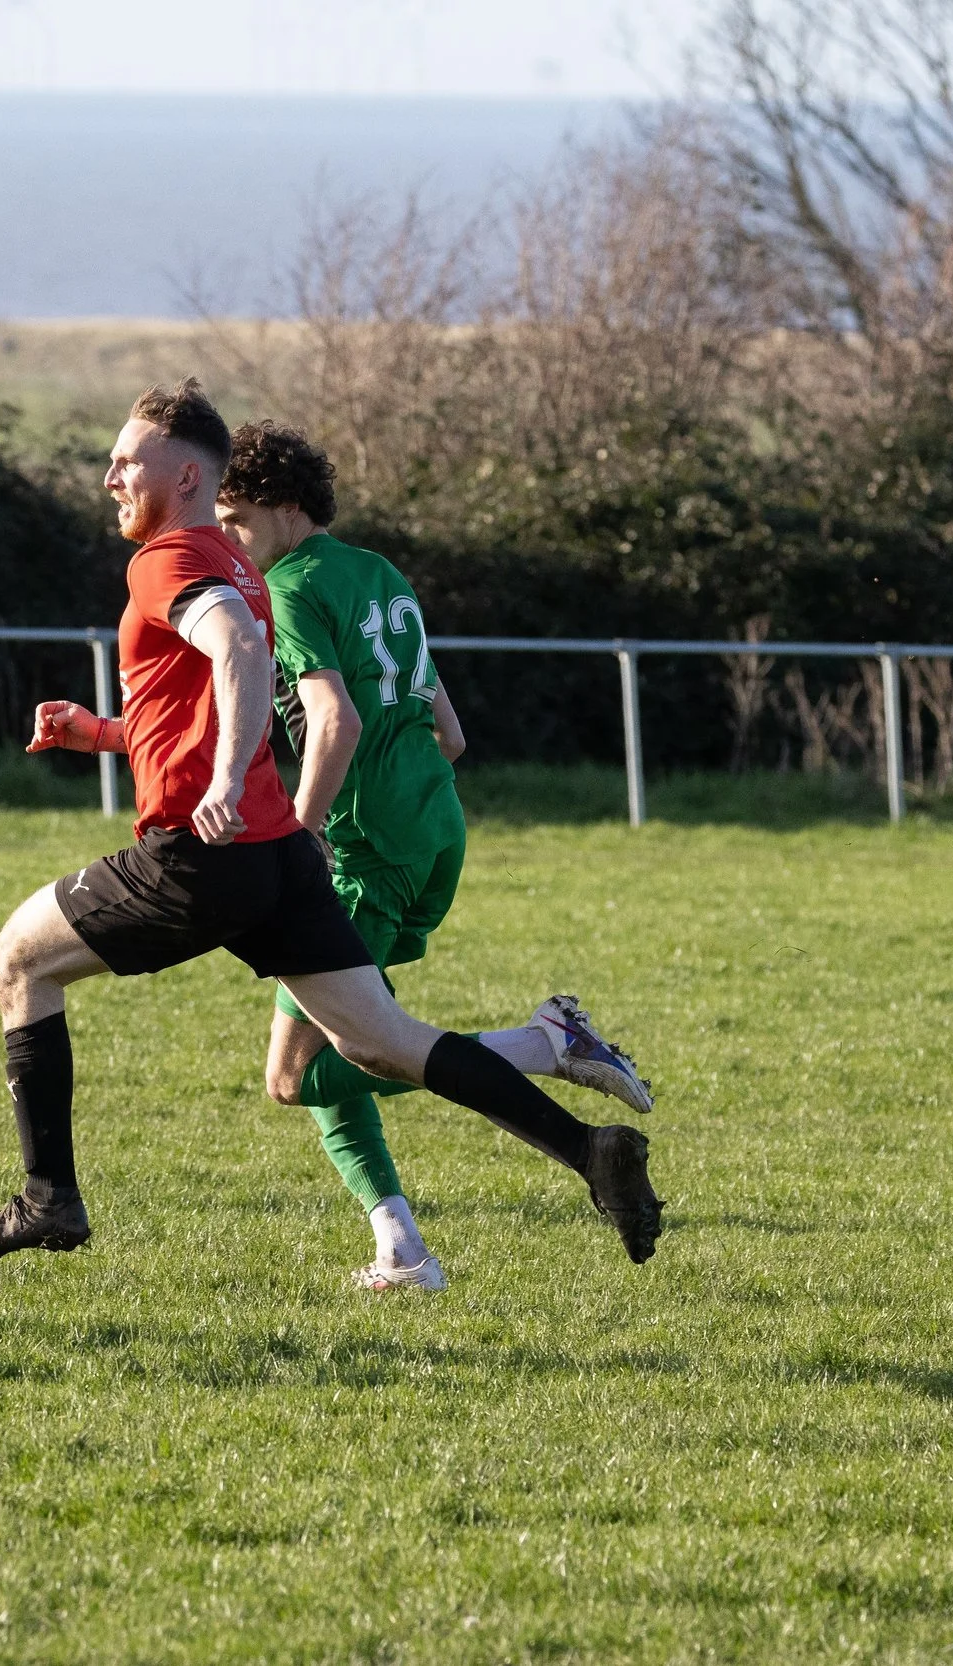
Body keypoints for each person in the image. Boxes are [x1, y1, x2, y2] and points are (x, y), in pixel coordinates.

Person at [0, 380, 663, 1266]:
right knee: (381, 1046)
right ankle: (587, 1152)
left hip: (202, 854)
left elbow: (240, 655)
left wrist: (213, 783)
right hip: (282, 855)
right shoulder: (245, 565)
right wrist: (100, 733)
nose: (109, 477)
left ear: (184, 474)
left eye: (126, 460)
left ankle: (49, 1199)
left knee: (16, 958)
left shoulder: (166, 559)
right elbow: (209, 707)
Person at [214, 421, 654, 1292]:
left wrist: (303, 836)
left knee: (300, 1074)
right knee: (337, 1053)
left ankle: (543, 1043)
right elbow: (449, 733)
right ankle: (400, 1248)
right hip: (430, 827)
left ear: (285, 509)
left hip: (364, 849)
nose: (228, 538)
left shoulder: (292, 587)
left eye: (235, 519)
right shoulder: (380, 573)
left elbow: (335, 722)